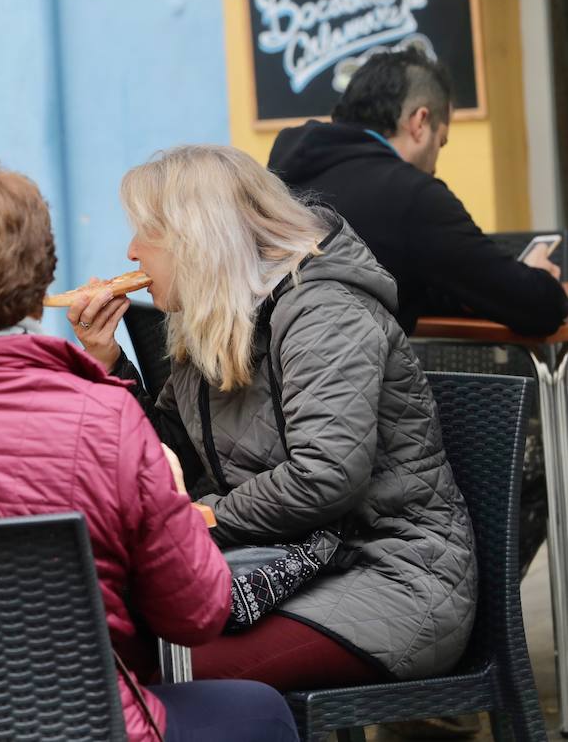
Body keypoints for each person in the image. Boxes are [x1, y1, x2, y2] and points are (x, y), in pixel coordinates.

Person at [0, 166, 299, 742]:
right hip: (78, 724)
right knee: (262, 711)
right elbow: (196, 613)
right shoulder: (103, 417)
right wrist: (168, 493)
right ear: (42, 275)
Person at [70, 145, 475, 692]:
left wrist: (202, 521)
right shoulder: (216, 321)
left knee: (175, 672)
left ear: (198, 239)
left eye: (148, 233)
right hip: (286, 561)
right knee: (111, 638)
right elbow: (170, 460)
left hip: (389, 574)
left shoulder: (325, 311)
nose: (132, 251)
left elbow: (325, 475)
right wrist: (108, 363)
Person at [267, 48, 567, 336]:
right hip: (358, 382)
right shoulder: (411, 196)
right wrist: (538, 276)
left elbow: (396, 283)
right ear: (420, 121)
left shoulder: (281, 176)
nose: (436, 164)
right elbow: (537, 308)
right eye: (442, 143)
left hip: (269, 381)